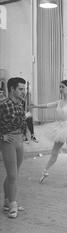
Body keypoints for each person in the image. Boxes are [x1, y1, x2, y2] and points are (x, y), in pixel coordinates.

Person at [0, 77, 27, 218]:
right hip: (8, 141)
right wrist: (2, 136)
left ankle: (6, 202)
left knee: (14, 174)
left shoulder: (20, 103)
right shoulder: (3, 104)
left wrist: (26, 133)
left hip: (19, 140)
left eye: (24, 88)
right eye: (20, 89)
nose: (24, 92)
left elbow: (23, 121)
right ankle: (13, 205)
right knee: (12, 175)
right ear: (12, 89)